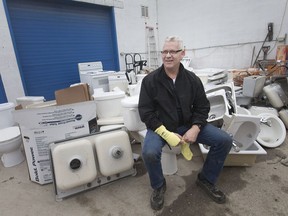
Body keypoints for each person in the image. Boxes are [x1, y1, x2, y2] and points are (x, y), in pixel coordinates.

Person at [138, 36, 233, 211]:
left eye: (172, 51)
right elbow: (145, 112)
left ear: (182, 53)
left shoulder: (192, 79)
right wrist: (165, 133)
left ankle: (206, 179)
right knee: (149, 152)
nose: (168, 55)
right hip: (160, 126)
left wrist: (196, 128)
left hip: (188, 124)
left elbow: (202, 107)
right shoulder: (150, 81)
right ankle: (159, 186)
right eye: (165, 51)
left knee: (224, 140)